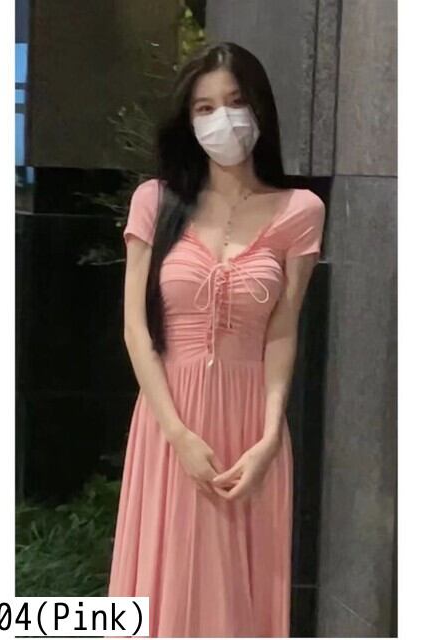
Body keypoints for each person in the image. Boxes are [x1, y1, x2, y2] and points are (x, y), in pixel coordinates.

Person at [108, 41, 326, 637]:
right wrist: (176, 434)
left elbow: (283, 330)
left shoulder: (300, 210)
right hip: (170, 422)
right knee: (167, 592)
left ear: (259, 108)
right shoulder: (156, 201)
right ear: (188, 120)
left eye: (234, 102)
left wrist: (269, 437)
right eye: (204, 108)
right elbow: (135, 328)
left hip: (251, 431)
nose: (222, 119)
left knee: (237, 603)